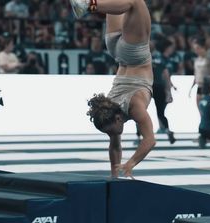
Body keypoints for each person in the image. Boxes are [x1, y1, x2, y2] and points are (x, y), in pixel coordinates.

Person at [71, 0, 155, 178]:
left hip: (133, 54)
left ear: (118, 118)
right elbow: (115, 147)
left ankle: (88, 4)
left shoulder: (135, 107)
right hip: (115, 50)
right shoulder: (109, 109)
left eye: (110, 130)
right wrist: (114, 177)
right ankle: (88, 5)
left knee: (134, 2)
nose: (112, 134)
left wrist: (130, 163)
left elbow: (150, 140)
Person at [151, 38, 176, 143]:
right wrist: (169, 90)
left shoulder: (151, 58)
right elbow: (165, 75)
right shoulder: (161, 59)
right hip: (158, 86)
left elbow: (165, 74)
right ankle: (166, 129)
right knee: (160, 112)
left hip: (149, 86)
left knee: (140, 110)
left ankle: (140, 135)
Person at [190, 37, 210, 110]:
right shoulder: (196, 59)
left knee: (206, 107)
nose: (196, 50)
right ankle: (202, 120)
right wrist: (191, 88)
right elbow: (196, 74)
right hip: (199, 85)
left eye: (198, 48)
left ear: (203, 47)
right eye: (195, 48)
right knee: (199, 106)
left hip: (207, 85)